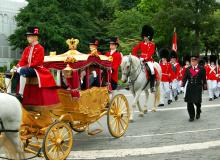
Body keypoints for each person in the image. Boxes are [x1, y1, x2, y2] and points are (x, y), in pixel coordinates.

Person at [11, 26, 56, 102]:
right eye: (27, 36)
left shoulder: (40, 48)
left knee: (22, 71)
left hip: (37, 69)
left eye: (29, 36)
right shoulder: (27, 48)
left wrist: (21, 68)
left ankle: (20, 95)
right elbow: (23, 61)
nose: (27, 38)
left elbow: (36, 63)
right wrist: (16, 67)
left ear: (35, 37)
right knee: (9, 72)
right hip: (27, 68)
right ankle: (10, 93)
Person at [182, 55, 207, 122]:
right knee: (189, 102)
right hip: (190, 87)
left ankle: (198, 110)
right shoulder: (188, 69)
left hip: (198, 87)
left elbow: (204, 79)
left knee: (197, 102)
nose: (193, 62)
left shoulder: (201, 68)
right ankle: (191, 116)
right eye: (192, 61)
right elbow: (185, 78)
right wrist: (183, 85)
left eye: (194, 61)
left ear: (197, 61)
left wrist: (204, 87)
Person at [132, 25, 156, 92]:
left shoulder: (152, 45)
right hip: (140, 59)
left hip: (148, 60)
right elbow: (134, 50)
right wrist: (136, 57)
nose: (144, 38)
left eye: (145, 36)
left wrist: (145, 59)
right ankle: (130, 83)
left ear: (149, 36)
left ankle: (152, 86)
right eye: (144, 36)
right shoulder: (141, 44)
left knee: (152, 70)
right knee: (133, 68)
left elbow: (151, 53)